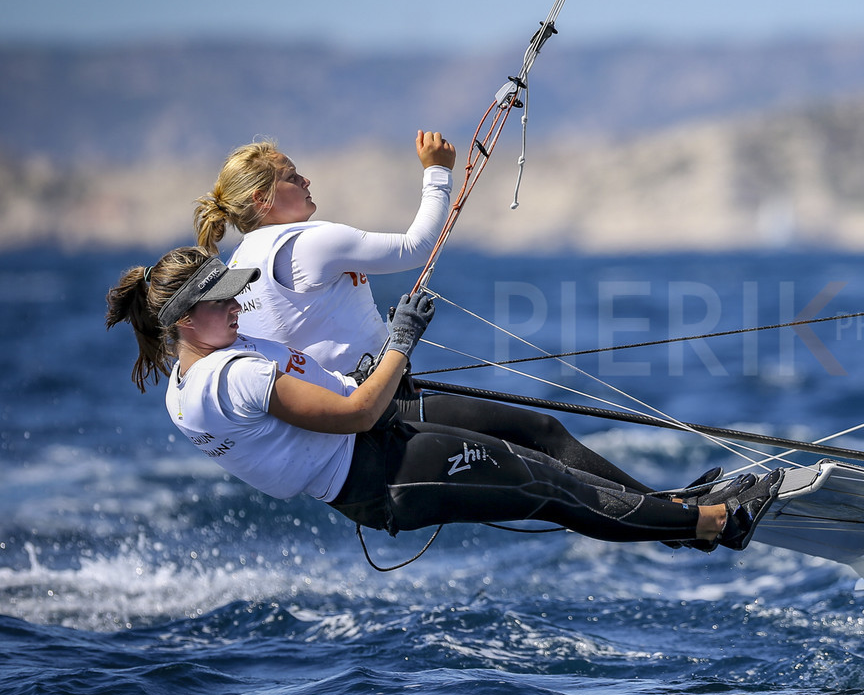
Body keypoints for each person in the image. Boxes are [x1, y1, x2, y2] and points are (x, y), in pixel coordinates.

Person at [105, 247, 781, 551]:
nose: (238, 301)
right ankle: (714, 526)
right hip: (378, 474)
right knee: (550, 486)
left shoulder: (196, 369)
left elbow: (311, 358)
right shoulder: (232, 378)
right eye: (222, 297)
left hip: (382, 432)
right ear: (186, 321)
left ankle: (669, 515)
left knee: (543, 432)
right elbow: (356, 413)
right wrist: (401, 341)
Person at [192, 133, 678, 500]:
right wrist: (438, 171)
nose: (306, 180)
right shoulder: (309, 241)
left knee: (537, 453)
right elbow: (415, 246)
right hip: (381, 408)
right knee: (542, 438)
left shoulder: (239, 265)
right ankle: (670, 509)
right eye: (293, 176)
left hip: (356, 424)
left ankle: (668, 508)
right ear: (263, 200)